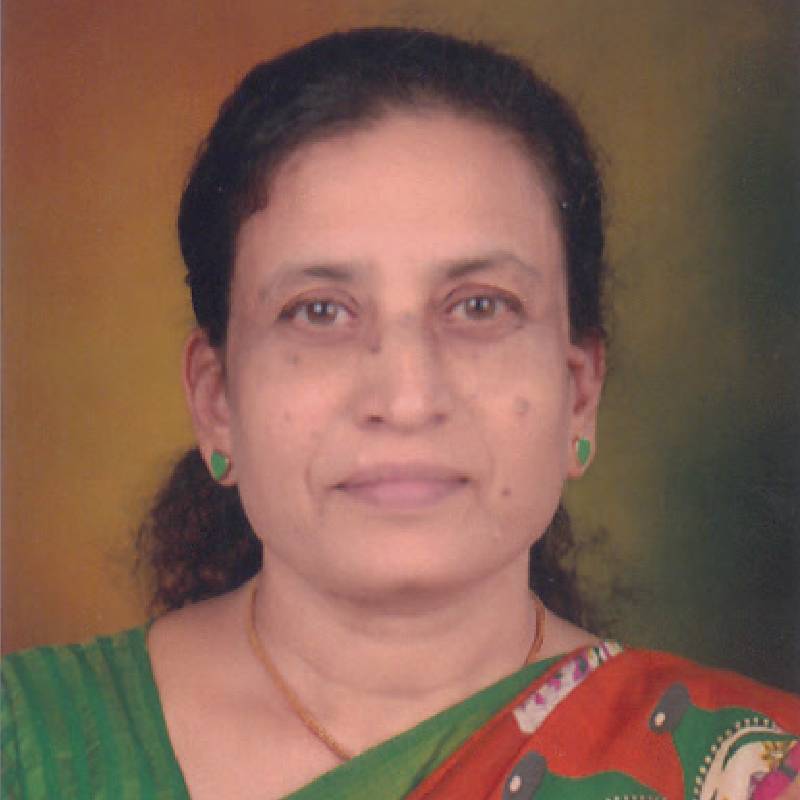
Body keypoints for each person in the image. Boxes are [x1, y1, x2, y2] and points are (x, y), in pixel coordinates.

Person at [2, 27, 798, 800]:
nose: (407, 399)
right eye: (319, 311)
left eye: (480, 306)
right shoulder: (26, 745)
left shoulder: (749, 771)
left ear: (579, 394)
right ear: (216, 402)